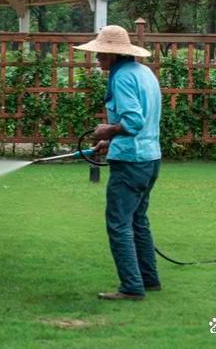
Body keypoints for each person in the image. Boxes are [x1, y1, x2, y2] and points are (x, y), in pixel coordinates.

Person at [75, 25, 162, 301]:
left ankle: (131, 287)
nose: (97, 57)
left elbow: (134, 121)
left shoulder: (121, 77)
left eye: (101, 53)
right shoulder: (144, 72)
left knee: (118, 223)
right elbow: (144, 119)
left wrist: (107, 131)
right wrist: (111, 142)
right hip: (150, 158)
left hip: (131, 162)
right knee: (138, 220)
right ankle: (149, 280)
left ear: (114, 54)